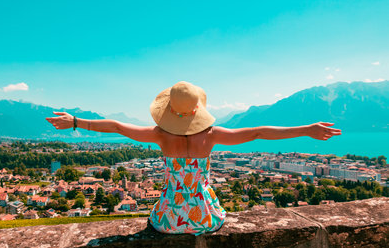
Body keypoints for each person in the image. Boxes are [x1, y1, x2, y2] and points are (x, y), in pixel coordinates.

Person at [45, 81, 342, 236]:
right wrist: (307, 129)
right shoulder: (211, 135)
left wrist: (75, 122)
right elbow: (258, 133)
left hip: (168, 218)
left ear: (169, 111)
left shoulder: (160, 135)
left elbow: (117, 127)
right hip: (205, 217)